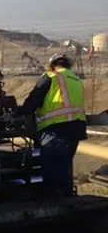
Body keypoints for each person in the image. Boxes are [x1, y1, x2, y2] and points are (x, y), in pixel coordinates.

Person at [16, 53, 87, 197]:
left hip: (56, 129)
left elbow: (33, 100)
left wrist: (20, 113)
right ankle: (66, 200)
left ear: (53, 66)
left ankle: (54, 200)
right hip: (76, 129)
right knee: (65, 166)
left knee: (51, 165)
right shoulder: (76, 80)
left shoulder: (51, 77)